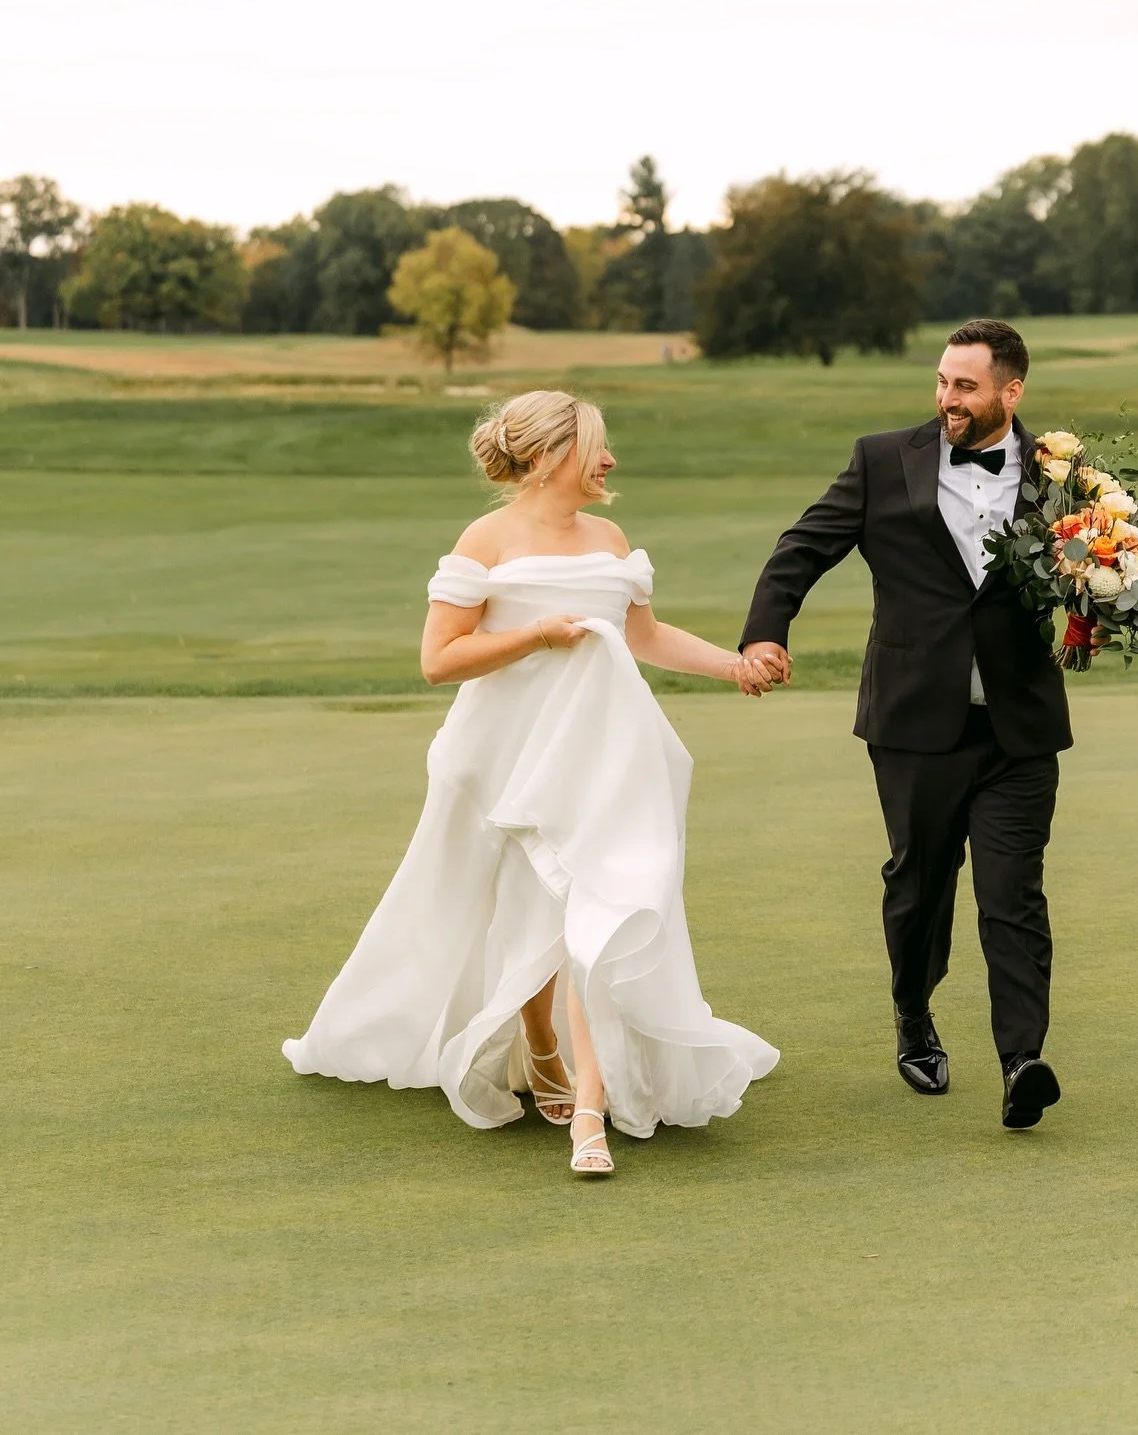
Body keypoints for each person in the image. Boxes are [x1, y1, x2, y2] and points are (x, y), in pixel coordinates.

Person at [283, 389, 779, 1177]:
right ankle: (539, 1040)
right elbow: (438, 659)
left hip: (604, 758)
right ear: (551, 456)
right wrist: (535, 635)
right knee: (520, 907)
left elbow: (644, 635)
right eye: (596, 447)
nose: (610, 460)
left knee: (597, 907)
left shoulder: (611, 536)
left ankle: (589, 1102)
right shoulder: (486, 538)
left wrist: (735, 664)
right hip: (504, 755)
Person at [739, 319, 1072, 1130]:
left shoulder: (1066, 473)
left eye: (965, 384)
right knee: (920, 888)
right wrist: (765, 629)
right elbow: (802, 547)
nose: (947, 397)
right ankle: (914, 1013)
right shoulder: (883, 459)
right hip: (914, 722)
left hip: (1018, 726)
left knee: (1012, 893)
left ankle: (1021, 1060)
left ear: (1011, 390)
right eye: (942, 381)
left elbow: (1095, 558)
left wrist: (1123, 600)